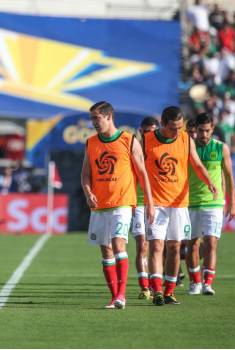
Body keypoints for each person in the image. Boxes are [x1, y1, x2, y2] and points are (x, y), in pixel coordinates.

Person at [81, 101, 154, 309]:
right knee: (105, 251)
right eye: (92, 119)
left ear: (109, 116)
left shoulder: (128, 140)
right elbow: (85, 174)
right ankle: (114, 297)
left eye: (97, 118)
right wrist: (88, 193)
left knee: (118, 244)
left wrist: (149, 202)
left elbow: (142, 173)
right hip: (99, 205)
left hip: (122, 203)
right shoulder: (91, 143)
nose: (94, 122)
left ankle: (121, 295)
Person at [144, 106, 216, 306]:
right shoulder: (147, 140)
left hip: (179, 203)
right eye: (173, 128)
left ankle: (169, 292)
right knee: (156, 246)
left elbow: (196, 163)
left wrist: (208, 181)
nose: (177, 131)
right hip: (156, 203)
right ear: (162, 123)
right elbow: (137, 169)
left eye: (180, 127)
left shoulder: (185, 139)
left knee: (175, 247)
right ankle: (157, 290)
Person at [186, 112, 235, 296]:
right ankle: (195, 282)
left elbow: (230, 176)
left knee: (211, 242)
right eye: (200, 131)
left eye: (207, 131)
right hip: (191, 203)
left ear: (212, 129)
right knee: (191, 244)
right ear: (195, 130)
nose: (204, 135)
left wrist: (232, 203)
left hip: (213, 204)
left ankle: (207, 283)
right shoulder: (188, 148)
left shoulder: (221, 148)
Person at [131, 116, 159, 300]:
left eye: (153, 131)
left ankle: (160, 279)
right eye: (146, 131)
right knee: (142, 245)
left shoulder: (159, 148)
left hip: (158, 203)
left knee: (157, 246)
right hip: (138, 203)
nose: (149, 134)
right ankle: (145, 287)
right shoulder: (134, 147)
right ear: (141, 131)